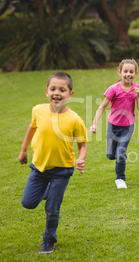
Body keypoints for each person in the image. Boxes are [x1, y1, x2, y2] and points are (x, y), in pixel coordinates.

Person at [18, 72, 88, 254]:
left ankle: (48, 240)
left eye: (62, 90)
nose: (57, 93)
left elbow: (82, 146)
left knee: (52, 210)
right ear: (46, 91)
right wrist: (24, 150)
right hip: (39, 167)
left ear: (70, 94)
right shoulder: (38, 110)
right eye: (53, 89)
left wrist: (81, 159)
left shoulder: (75, 120)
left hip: (62, 171)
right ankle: (47, 191)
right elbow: (32, 128)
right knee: (28, 203)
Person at [90, 59, 139, 189]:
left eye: (131, 71)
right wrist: (94, 124)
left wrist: (138, 97)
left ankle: (120, 178)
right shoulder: (113, 89)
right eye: (125, 71)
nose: (128, 74)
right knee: (110, 155)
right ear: (120, 72)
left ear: (135, 73)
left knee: (120, 153)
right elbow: (102, 107)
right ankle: (118, 158)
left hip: (128, 126)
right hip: (113, 126)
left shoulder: (137, 89)